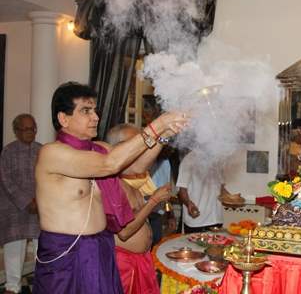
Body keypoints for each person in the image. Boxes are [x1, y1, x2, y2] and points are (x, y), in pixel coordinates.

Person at [32, 81, 188, 293]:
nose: (95, 117)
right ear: (63, 118)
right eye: (86, 111)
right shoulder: (52, 153)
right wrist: (157, 125)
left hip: (101, 247)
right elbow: (109, 165)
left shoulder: (100, 148)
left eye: (95, 110)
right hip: (68, 252)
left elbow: (137, 166)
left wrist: (164, 134)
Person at [107, 124, 172, 294]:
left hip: (141, 260)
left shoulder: (132, 179)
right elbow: (125, 231)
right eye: (137, 143)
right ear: (119, 148)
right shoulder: (112, 183)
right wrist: (154, 200)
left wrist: (166, 133)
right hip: (124, 266)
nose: (142, 149)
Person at [0, 114, 41, 294]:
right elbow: (6, 180)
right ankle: (12, 286)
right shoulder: (7, 152)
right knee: (15, 247)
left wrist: (38, 201)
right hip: (14, 208)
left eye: (33, 128)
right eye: (26, 129)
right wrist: (26, 201)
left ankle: (42, 284)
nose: (30, 132)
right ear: (16, 131)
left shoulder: (43, 150)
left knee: (44, 246)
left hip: (40, 206)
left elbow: (50, 178)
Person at [177, 149, 227, 233]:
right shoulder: (189, 160)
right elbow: (182, 190)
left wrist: (232, 199)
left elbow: (221, 188)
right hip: (197, 220)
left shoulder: (217, 160)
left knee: (217, 246)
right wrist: (188, 203)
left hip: (216, 219)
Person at [149, 146, 177, 244]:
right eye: (169, 147)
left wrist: (170, 215)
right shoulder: (144, 162)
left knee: (156, 244)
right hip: (143, 217)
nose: (172, 150)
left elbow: (166, 193)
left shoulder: (165, 162)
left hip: (157, 215)